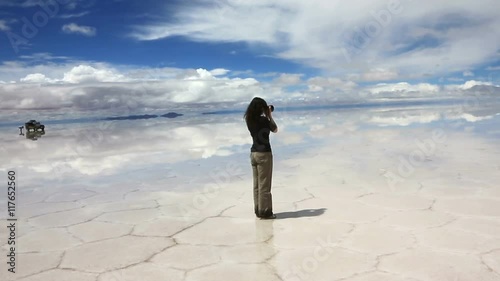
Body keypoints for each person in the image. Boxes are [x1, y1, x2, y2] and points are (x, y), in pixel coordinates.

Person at [244, 97, 278, 219]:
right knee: (265, 185)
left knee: (257, 185)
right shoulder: (264, 120)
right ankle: (265, 212)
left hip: (254, 154)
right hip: (264, 154)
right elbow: (275, 129)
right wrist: (269, 115)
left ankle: (258, 210)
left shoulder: (249, 120)